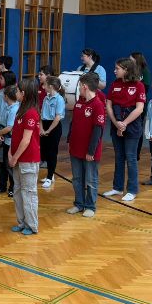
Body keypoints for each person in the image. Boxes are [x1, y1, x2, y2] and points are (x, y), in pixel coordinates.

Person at [103, 58, 146, 202]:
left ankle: (132, 190)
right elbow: (108, 105)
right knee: (119, 157)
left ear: (126, 70)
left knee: (131, 157)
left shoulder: (139, 85)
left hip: (132, 126)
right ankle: (117, 187)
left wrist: (125, 123)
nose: (114, 71)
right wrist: (116, 123)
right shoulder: (114, 84)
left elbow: (139, 109)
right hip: (116, 123)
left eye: (117, 68)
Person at [66, 72, 106, 218]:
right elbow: (73, 124)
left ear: (84, 86)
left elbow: (98, 130)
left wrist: (91, 151)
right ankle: (79, 204)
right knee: (77, 179)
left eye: (79, 86)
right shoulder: (79, 103)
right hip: (75, 149)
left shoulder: (98, 105)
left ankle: (90, 206)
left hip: (89, 152)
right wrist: (69, 140)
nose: (78, 88)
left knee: (90, 179)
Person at [8, 78, 41, 236]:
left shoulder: (31, 113)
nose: (15, 92)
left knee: (29, 193)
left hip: (28, 160)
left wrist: (15, 157)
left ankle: (32, 225)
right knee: (18, 192)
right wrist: (10, 152)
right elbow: (16, 135)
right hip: (18, 159)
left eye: (17, 90)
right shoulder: (20, 110)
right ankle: (21, 222)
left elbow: (26, 140)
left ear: (23, 93)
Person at [40, 75, 66, 189]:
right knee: (44, 151)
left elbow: (57, 117)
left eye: (45, 85)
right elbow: (41, 115)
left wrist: (48, 130)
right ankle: (50, 174)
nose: (43, 87)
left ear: (50, 86)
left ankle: (50, 177)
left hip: (54, 127)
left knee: (52, 153)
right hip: (45, 125)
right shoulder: (46, 98)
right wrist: (41, 129)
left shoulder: (59, 99)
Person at [0, 85, 18, 196]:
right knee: (1, 164)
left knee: (9, 165)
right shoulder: (7, 107)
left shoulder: (14, 109)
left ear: (6, 96)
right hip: (4, 139)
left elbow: (9, 127)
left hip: (10, 142)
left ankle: (13, 188)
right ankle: (1, 186)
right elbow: (2, 124)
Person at [130, 51, 151, 161]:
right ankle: (129, 151)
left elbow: (145, 88)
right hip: (129, 103)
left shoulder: (145, 71)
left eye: (131, 59)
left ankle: (136, 152)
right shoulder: (129, 70)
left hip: (139, 103)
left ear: (136, 60)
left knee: (137, 128)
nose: (129, 61)